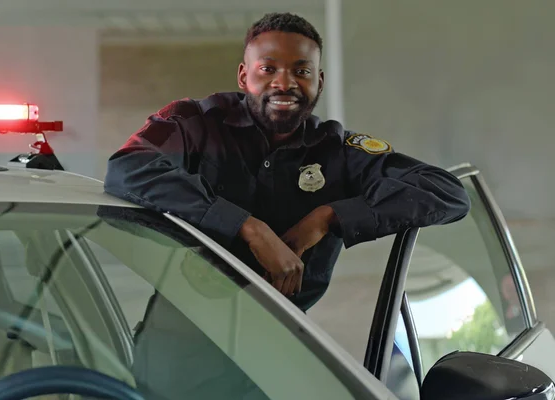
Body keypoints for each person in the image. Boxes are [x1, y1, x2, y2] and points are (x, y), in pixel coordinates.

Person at [104, 12, 471, 399]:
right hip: (179, 351)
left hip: (278, 353)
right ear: (244, 76)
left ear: (319, 81)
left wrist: (329, 216)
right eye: (269, 68)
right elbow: (127, 168)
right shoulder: (195, 124)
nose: (285, 83)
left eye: (301, 70)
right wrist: (247, 226)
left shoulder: (339, 153)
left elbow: (446, 192)